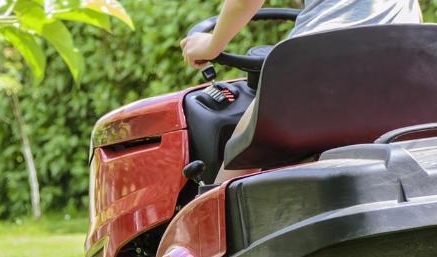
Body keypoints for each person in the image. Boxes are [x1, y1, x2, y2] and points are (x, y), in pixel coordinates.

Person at [180, 0, 423, 183]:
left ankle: (209, 237)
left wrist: (212, 45)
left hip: (320, 67)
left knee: (238, 154)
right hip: (410, 70)